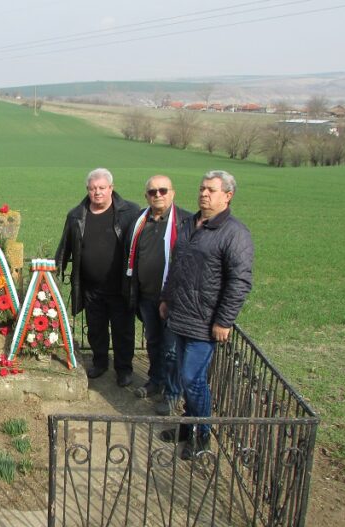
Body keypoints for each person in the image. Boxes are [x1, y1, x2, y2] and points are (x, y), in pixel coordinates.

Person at [159, 170, 254, 459]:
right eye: (202, 188)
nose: (204, 194)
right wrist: (166, 298)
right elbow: (176, 266)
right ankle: (186, 428)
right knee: (186, 376)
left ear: (228, 195)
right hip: (181, 313)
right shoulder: (190, 224)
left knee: (193, 379)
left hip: (205, 320)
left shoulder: (234, 234)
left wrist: (224, 320)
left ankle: (202, 436)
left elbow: (240, 281)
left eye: (211, 190)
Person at [55, 167, 140, 387]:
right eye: (93, 188)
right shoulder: (76, 215)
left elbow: (141, 245)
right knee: (96, 330)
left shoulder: (130, 212)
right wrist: (54, 274)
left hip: (120, 287)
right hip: (91, 288)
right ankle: (100, 363)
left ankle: (124, 369)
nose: (97, 192)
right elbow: (64, 249)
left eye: (102, 188)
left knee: (123, 332)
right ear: (87, 190)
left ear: (111, 188)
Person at [126, 175, 192, 415]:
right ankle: (156, 380)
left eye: (163, 190)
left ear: (172, 193)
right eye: (152, 192)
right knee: (153, 341)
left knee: (172, 348)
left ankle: (172, 393)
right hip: (147, 295)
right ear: (146, 196)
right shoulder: (140, 221)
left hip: (174, 299)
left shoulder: (186, 222)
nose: (158, 195)